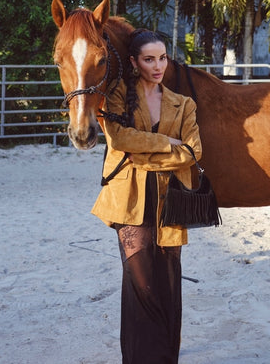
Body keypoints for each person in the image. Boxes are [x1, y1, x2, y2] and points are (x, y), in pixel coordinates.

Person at [91, 29, 202, 364]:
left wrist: (143, 155)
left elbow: (194, 152)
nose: (158, 66)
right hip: (129, 198)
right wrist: (166, 143)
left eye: (163, 58)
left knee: (168, 281)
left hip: (171, 198)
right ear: (134, 61)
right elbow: (119, 138)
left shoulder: (183, 104)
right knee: (140, 282)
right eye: (149, 59)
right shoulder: (116, 96)